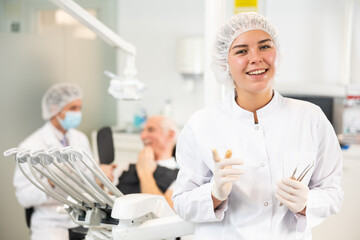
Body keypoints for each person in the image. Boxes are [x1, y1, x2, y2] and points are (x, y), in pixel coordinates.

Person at [172, 12, 343, 239]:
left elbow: (332, 193)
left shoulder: (310, 118)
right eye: (242, 51)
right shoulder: (201, 124)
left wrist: (307, 202)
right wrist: (214, 194)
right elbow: (182, 202)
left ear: (277, 54)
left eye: (264, 47)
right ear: (225, 63)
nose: (256, 58)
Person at [13, 83, 93, 240]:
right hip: (50, 223)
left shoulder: (80, 138)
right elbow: (24, 197)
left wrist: (101, 176)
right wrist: (50, 181)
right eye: (72, 108)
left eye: (79, 108)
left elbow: (88, 179)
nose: (78, 113)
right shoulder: (30, 147)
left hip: (83, 218)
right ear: (54, 110)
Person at [100, 115, 179, 208]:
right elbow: (105, 206)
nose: (142, 136)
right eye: (143, 131)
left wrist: (145, 172)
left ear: (170, 135)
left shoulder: (180, 178)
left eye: (151, 130)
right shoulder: (124, 167)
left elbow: (163, 213)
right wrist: (99, 181)